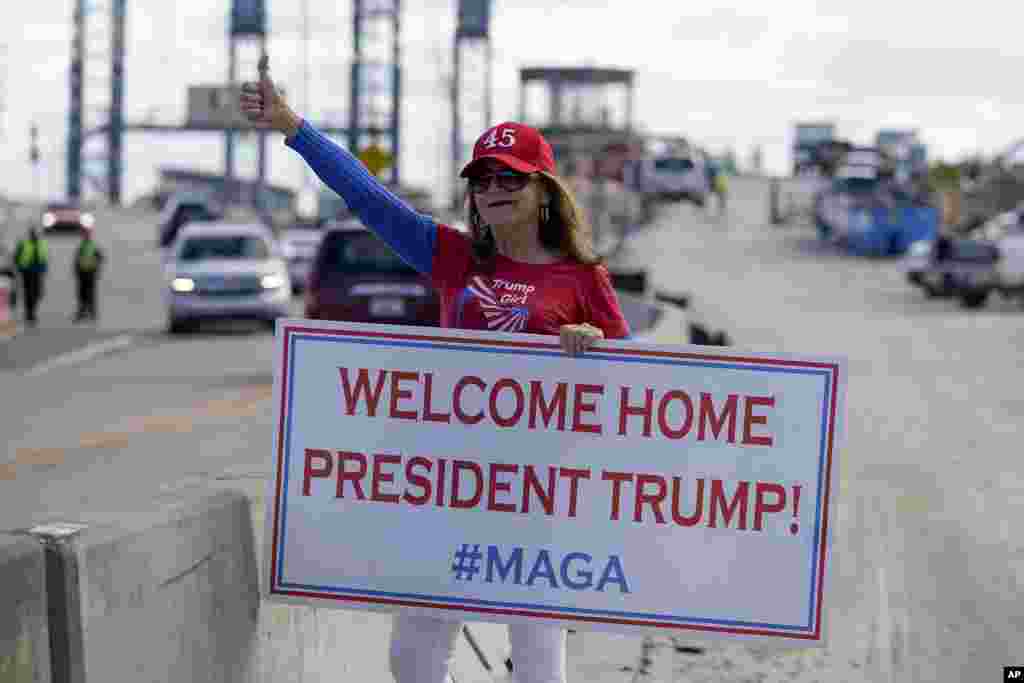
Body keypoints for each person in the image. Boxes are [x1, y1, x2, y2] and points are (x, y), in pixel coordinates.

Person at [241, 57, 630, 683]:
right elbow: (369, 199)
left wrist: (595, 348)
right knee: (413, 661)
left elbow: (649, 388)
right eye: (481, 178)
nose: (494, 187)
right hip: (453, 491)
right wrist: (294, 126)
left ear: (544, 191)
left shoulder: (585, 279)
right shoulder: (452, 258)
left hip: (542, 497)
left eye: (510, 176)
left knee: (538, 669)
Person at [13, 226, 48, 326]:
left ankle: (31, 311)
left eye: (36, 234)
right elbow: (16, 256)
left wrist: (44, 269)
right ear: (30, 234)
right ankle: (30, 313)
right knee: (29, 293)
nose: (34, 236)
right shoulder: (24, 243)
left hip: (38, 272)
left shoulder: (42, 244)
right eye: (33, 234)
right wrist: (19, 268)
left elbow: (44, 257)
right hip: (27, 271)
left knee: (37, 293)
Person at [73, 225, 104, 322]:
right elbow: (77, 260)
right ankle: (82, 312)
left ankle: (91, 312)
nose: (86, 236)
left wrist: (96, 268)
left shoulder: (93, 246)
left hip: (90, 273)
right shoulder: (81, 246)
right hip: (82, 273)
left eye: (87, 234)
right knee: (82, 293)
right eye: (84, 234)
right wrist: (76, 270)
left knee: (90, 293)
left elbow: (100, 258)